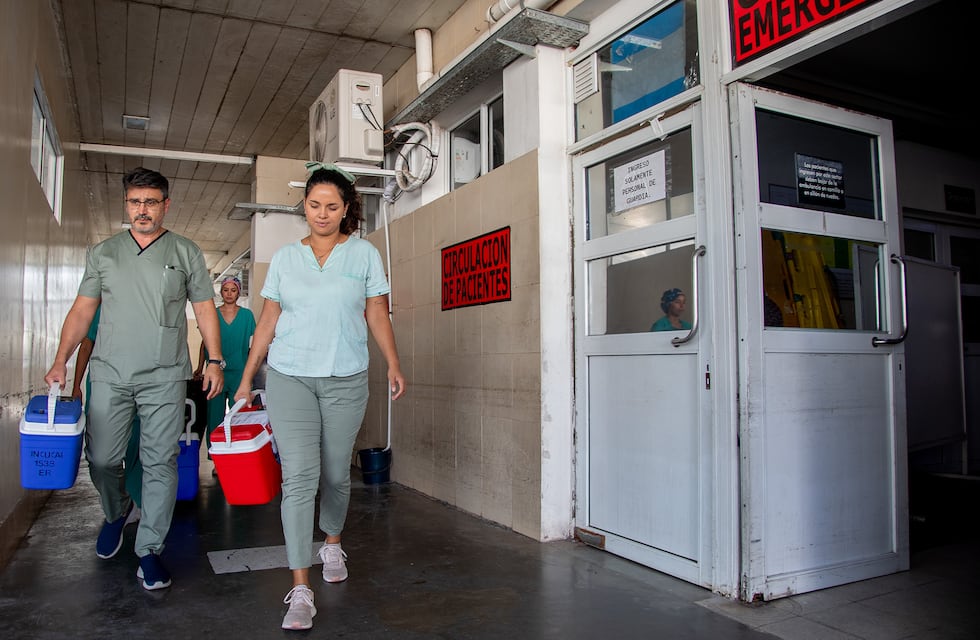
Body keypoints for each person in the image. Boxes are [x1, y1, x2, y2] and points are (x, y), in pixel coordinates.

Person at [234, 161, 406, 631]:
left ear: (347, 208)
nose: (322, 214)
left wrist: (392, 361)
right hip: (290, 377)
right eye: (314, 206)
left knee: (335, 471)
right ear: (304, 207)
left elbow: (377, 312)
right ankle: (300, 588)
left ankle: (332, 541)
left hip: (346, 377)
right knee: (299, 477)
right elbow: (268, 320)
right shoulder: (287, 258)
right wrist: (249, 376)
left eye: (332, 206)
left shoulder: (365, 255)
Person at [44, 167, 224, 592]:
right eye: (134, 202)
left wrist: (214, 359)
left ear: (166, 205)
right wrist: (61, 361)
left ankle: (149, 550)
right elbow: (82, 310)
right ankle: (116, 510)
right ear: (126, 205)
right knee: (103, 459)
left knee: (159, 463)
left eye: (151, 202)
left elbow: (203, 309)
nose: (142, 210)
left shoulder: (185, 252)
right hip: (110, 372)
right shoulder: (104, 254)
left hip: (164, 375)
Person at [71, 305, 144, 515]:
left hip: (140, 385)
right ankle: (118, 503)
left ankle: (137, 503)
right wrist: (76, 385)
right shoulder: (103, 307)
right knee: (100, 457)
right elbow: (86, 345)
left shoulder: (148, 304)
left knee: (136, 448)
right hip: (104, 385)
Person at [194, 276, 256, 451]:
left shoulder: (246, 316)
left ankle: (238, 452)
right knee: (214, 416)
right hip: (216, 373)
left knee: (240, 415)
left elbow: (253, 346)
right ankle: (215, 455)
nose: (229, 294)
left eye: (233, 290)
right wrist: (200, 367)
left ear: (238, 293)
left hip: (239, 373)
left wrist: (252, 372)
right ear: (221, 292)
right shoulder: (212, 314)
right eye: (226, 290)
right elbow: (204, 343)